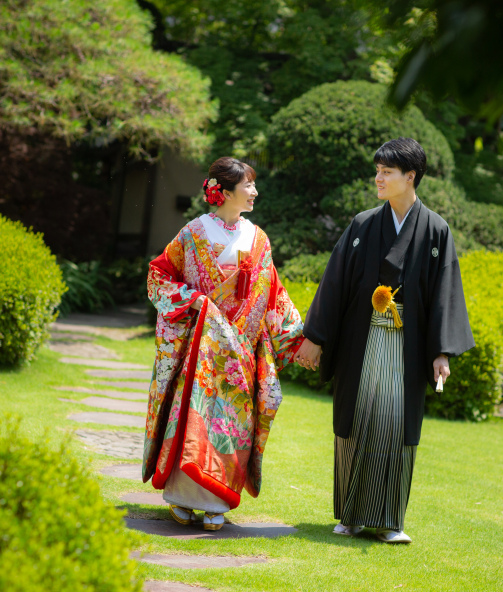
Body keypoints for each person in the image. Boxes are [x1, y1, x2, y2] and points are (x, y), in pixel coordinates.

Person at [294, 137, 474, 543]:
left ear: (410, 177)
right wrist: (315, 337)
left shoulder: (435, 230)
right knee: (356, 422)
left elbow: (445, 290)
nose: (378, 177)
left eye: (387, 171)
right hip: (362, 340)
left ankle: (391, 521)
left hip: (405, 345)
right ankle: (352, 515)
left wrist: (441, 351)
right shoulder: (362, 225)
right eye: (377, 170)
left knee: (396, 428)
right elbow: (335, 283)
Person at [142, 157, 304, 531]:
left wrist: (299, 336)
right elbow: (159, 275)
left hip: (241, 349)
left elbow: (273, 292)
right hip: (201, 346)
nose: (254, 192)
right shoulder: (193, 233)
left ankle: (216, 500)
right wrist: (195, 301)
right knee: (194, 414)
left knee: (231, 422)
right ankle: (183, 496)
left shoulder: (258, 238)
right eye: (248, 185)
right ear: (225, 191)